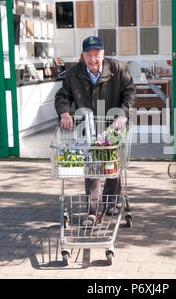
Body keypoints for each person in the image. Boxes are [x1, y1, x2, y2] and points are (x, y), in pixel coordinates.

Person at [55, 36, 136, 226]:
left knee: (112, 166)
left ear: (103, 53)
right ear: (83, 55)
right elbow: (62, 95)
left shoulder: (117, 69)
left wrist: (123, 114)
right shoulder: (73, 74)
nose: (93, 59)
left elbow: (130, 92)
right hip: (87, 128)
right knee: (92, 168)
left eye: (96, 54)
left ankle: (112, 202)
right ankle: (93, 211)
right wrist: (65, 112)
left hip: (113, 126)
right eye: (88, 55)